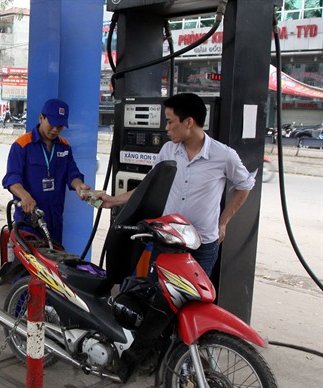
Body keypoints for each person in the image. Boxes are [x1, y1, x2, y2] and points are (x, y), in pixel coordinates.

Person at [96, 92, 256, 276]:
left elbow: (245, 185)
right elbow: (148, 186)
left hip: (202, 245)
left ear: (188, 122)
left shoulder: (224, 155)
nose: (166, 128)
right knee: (156, 295)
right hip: (167, 240)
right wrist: (113, 200)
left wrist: (223, 222)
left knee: (193, 301)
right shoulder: (168, 150)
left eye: (170, 122)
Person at [2, 98, 91, 243]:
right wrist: (24, 196)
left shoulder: (64, 147)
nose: (55, 129)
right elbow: (11, 179)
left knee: (53, 263)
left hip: (54, 222)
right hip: (28, 222)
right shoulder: (22, 145)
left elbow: (72, 173)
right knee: (25, 265)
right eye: (52, 124)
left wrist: (79, 185)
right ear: (41, 118)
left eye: (60, 126)